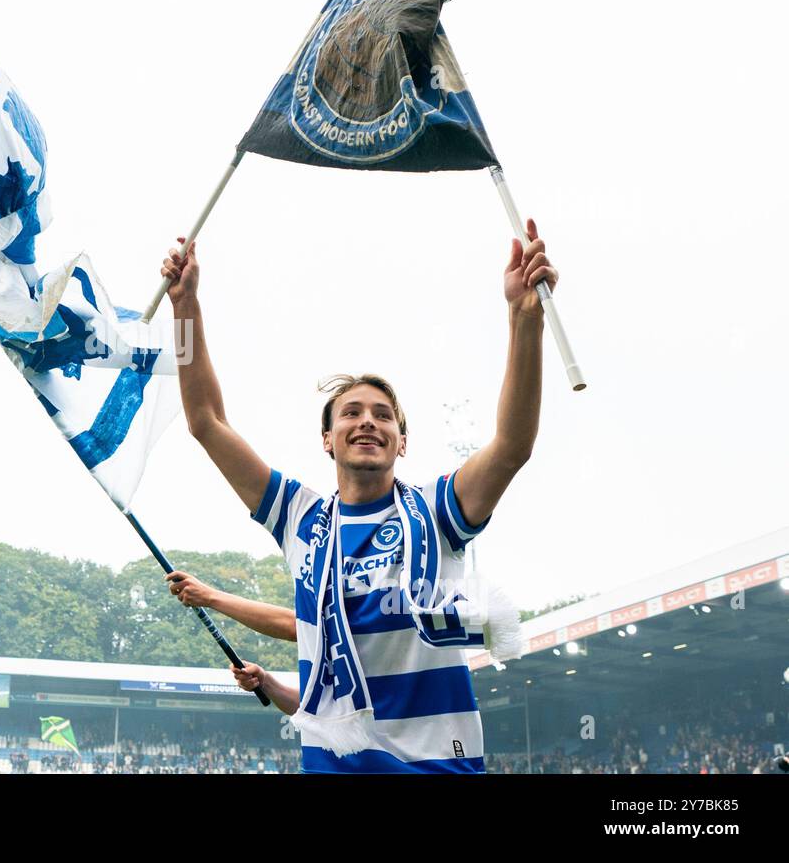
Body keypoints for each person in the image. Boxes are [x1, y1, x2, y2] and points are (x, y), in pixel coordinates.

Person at [160, 219, 558, 773]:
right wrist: (185, 309)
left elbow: (513, 445)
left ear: (402, 439)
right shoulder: (300, 518)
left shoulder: (438, 510)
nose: (367, 422)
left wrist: (524, 321)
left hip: (439, 764)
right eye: (351, 413)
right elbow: (205, 422)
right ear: (328, 439)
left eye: (383, 415)